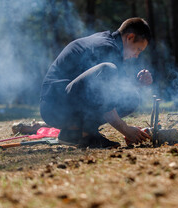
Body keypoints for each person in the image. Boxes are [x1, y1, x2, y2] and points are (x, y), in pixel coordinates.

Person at [40, 17, 152, 148]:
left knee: (131, 98)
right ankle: (82, 133)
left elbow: (116, 91)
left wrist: (138, 84)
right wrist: (125, 129)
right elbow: (102, 91)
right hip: (56, 106)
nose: (136, 55)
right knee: (108, 69)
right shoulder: (106, 47)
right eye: (138, 49)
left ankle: (76, 133)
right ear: (130, 37)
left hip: (69, 101)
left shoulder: (112, 46)